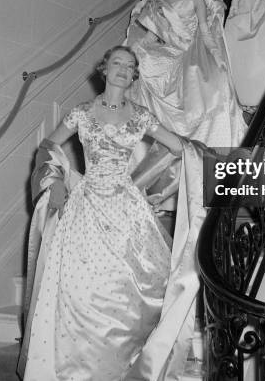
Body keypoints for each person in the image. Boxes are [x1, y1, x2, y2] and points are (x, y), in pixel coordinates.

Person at [18, 46, 184, 381]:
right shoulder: (81, 112)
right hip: (86, 206)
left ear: (135, 75)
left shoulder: (140, 116)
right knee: (81, 293)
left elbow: (179, 148)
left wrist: (152, 188)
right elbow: (48, 147)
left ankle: (123, 365)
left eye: (130, 65)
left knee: (128, 292)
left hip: (126, 210)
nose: (123, 69)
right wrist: (57, 181)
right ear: (103, 69)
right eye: (117, 63)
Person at [126, 0, 246, 154]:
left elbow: (205, 33)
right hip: (167, 53)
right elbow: (152, 36)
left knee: (211, 80)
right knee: (140, 64)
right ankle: (150, 146)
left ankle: (205, 146)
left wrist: (218, 58)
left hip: (191, 50)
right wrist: (134, 52)